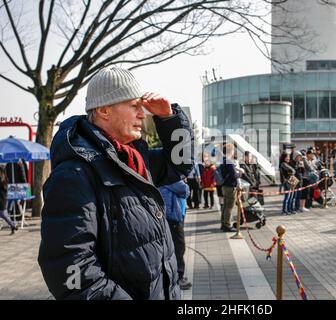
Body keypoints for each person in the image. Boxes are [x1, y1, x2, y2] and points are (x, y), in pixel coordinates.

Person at [38, 67, 194, 300]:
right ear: (103, 110)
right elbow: (70, 272)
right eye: (133, 106)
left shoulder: (134, 159)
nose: (142, 114)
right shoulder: (74, 175)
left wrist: (169, 118)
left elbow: (180, 165)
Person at [159, 179, 192, 290]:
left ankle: (174, 276)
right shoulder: (170, 177)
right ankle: (178, 277)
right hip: (172, 217)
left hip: (170, 215)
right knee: (179, 247)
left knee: (172, 247)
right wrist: (184, 184)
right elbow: (185, 190)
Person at [220, 143, 244, 232]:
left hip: (225, 185)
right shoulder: (229, 161)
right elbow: (234, 175)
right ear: (231, 151)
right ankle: (227, 225)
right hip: (230, 186)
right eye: (233, 150)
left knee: (225, 206)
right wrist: (241, 173)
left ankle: (223, 223)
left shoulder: (223, 160)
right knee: (229, 206)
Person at [0, 164, 18, 235]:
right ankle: (13, 226)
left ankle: (13, 225)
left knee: (3, 214)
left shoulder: (2, 179)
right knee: (4, 214)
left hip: (1, 199)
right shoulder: (4, 178)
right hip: (2, 199)